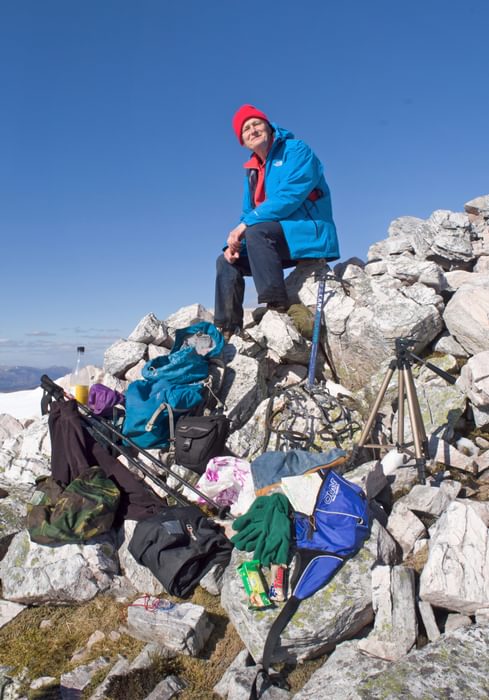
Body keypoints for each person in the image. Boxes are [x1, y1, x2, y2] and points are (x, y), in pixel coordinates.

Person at [214, 104, 339, 339]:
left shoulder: (296, 150)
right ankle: (227, 328)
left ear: (269, 127)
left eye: (256, 124)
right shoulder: (251, 172)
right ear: (242, 140)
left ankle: (276, 306)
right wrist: (232, 246)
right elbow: (247, 212)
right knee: (225, 261)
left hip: (307, 233)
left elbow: (290, 195)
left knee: (256, 231)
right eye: (246, 129)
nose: (252, 130)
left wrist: (245, 226)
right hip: (272, 241)